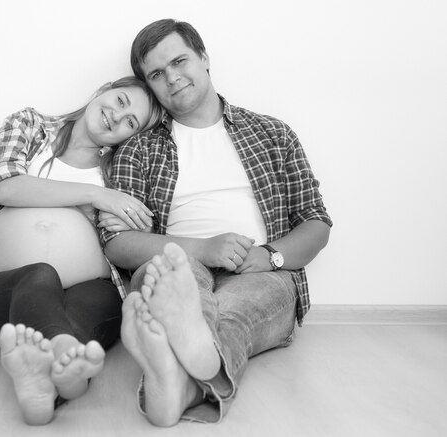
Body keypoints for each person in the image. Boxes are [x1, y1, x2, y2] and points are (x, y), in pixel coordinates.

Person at [98, 19, 333, 426]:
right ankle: (191, 381)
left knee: (236, 314)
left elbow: (315, 220)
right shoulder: (137, 147)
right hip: (178, 263)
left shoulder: (272, 133)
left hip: (260, 272)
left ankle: (178, 379)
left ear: (204, 59)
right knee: (178, 283)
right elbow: (118, 242)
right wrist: (203, 249)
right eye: (156, 74)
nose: (171, 78)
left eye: (179, 61)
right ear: (149, 86)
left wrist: (270, 257)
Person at [0, 76, 162, 425]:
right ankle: (62, 354)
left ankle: (48, 384)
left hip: (93, 292)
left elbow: (142, 229)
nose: (116, 118)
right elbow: (2, 184)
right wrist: (94, 195)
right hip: (4, 294)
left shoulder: (121, 170)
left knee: (92, 311)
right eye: (120, 102)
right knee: (40, 275)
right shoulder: (31, 126)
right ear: (104, 89)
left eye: (130, 123)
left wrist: (136, 221)